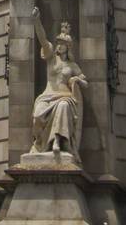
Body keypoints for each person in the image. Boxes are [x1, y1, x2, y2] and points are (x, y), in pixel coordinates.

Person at [29, 11, 87, 157]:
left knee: (63, 106)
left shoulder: (72, 65)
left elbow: (85, 82)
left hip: (65, 97)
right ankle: (40, 142)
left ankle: (56, 142)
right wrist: (37, 21)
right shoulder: (51, 59)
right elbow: (42, 39)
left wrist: (77, 80)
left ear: (69, 47)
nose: (60, 46)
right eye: (59, 43)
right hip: (47, 96)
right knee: (37, 116)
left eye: (63, 44)